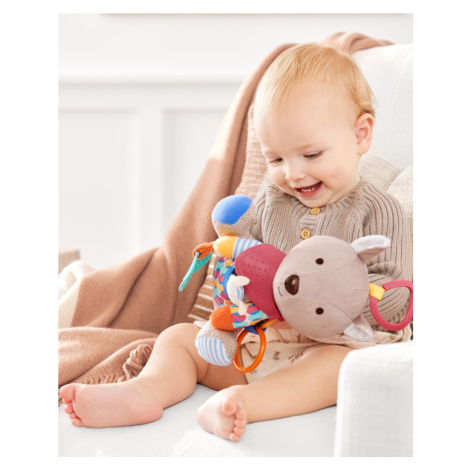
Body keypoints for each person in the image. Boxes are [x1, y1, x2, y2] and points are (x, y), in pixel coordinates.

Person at [59, 43, 412, 442]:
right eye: (276, 159)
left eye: (311, 154)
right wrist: (235, 284)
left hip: (337, 341)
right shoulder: (272, 200)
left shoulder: (378, 210)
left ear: (360, 135)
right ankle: (144, 390)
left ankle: (247, 402)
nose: (293, 174)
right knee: (179, 338)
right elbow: (244, 259)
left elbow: (395, 296)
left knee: (336, 368)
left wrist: (325, 297)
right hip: (262, 342)